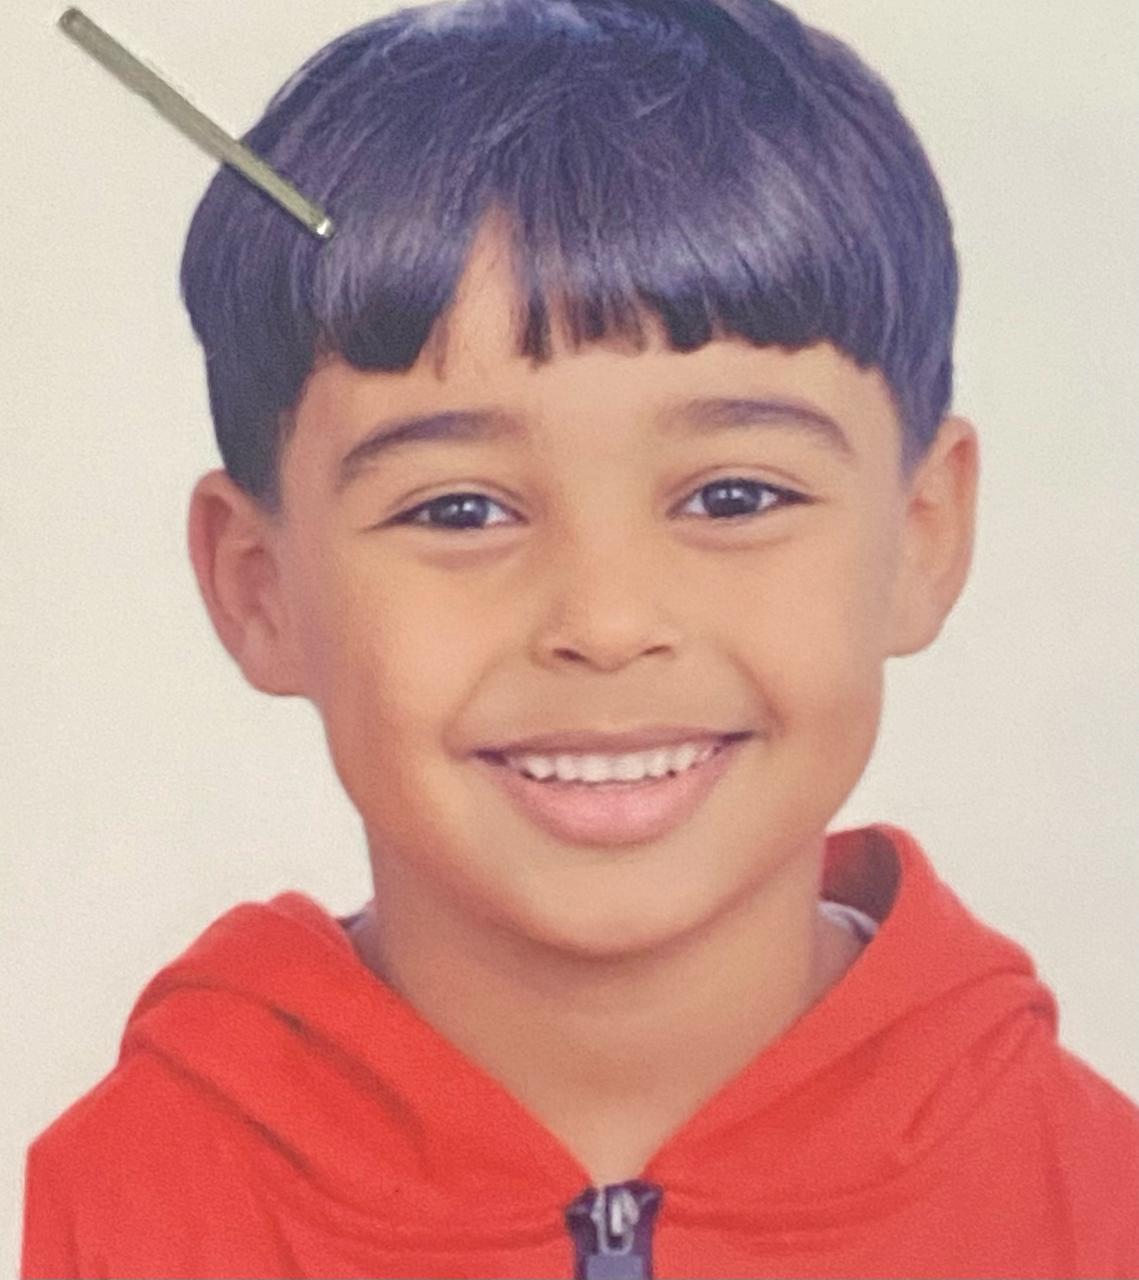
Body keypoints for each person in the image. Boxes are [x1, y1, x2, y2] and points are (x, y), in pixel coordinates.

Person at [21, 0, 1139, 1276]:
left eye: (733, 496)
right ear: (257, 585)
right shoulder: (108, 1208)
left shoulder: (1096, 1199)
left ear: (921, 535)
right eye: (459, 510)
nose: (605, 623)